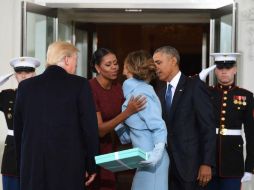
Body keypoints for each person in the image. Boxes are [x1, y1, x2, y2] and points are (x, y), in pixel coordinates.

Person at [13, 41, 99, 190]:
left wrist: (23, 167)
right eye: (75, 61)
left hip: (33, 167)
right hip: (68, 168)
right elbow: (90, 129)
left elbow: (19, 132)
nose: (76, 66)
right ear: (66, 59)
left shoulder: (25, 87)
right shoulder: (80, 85)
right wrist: (92, 165)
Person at [153, 45, 216, 190]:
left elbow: (207, 127)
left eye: (158, 62)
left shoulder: (194, 86)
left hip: (191, 167)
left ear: (173, 61)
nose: (155, 67)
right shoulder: (160, 93)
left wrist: (207, 163)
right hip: (166, 168)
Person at [89, 48, 145, 190]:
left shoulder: (119, 87)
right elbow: (100, 130)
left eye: (115, 63)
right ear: (97, 68)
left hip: (113, 149)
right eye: (108, 64)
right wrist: (127, 112)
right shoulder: (90, 88)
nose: (114, 67)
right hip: (93, 151)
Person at [115, 50, 169, 190]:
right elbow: (127, 137)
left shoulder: (141, 92)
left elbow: (158, 126)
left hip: (153, 160)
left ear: (130, 67)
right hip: (143, 159)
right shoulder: (133, 92)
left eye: (124, 64)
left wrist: (156, 154)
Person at [200, 53, 254, 190]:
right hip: (208, 163)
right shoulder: (206, 93)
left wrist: (250, 168)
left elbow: (251, 135)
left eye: (228, 67)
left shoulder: (246, 96)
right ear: (215, 70)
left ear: (235, 69)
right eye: (220, 67)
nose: (224, 71)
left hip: (233, 163)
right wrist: (198, 79)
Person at [0, 56, 40, 190]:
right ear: (15, 75)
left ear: (34, 73)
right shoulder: (7, 96)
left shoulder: (44, 96)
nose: (23, 76)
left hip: (36, 149)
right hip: (12, 152)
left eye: (27, 72)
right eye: (19, 72)